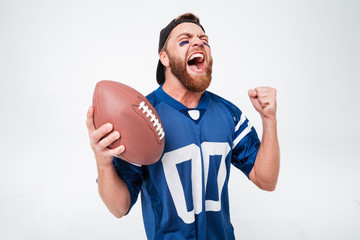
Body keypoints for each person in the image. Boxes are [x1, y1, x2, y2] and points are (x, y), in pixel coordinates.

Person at [86, 13, 280, 240]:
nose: (199, 43)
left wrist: (269, 119)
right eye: (185, 40)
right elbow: (119, 207)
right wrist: (103, 161)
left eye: (204, 41)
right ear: (164, 58)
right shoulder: (142, 117)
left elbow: (266, 180)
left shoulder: (229, 114)